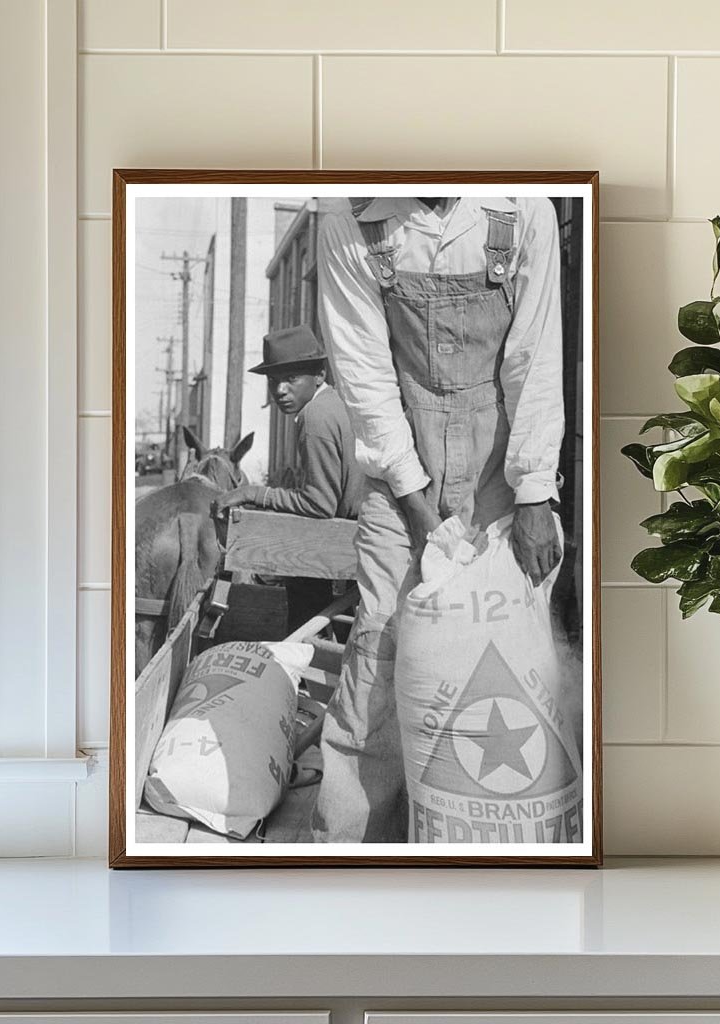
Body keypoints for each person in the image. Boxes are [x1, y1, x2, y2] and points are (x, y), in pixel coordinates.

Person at [312, 195, 564, 843]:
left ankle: (498, 851)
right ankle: (350, 855)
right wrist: (418, 504)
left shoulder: (521, 208)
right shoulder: (350, 218)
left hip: (502, 468)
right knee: (379, 643)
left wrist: (534, 492)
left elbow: (535, 360)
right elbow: (365, 375)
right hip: (400, 465)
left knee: (510, 647)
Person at [217, 324, 363, 520]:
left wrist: (252, 493)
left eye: (291, 378)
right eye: (273, 380)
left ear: (319, 375)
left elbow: (319, 505)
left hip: (360, 535)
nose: (280, 390)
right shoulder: (336, 402)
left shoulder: (315, 415)